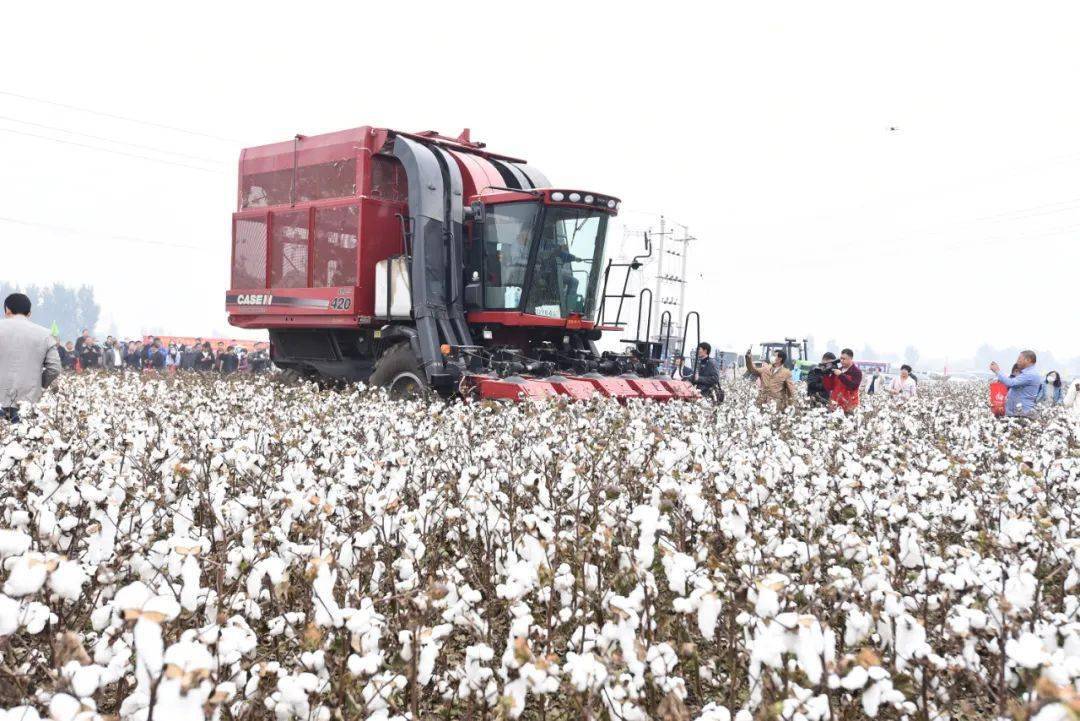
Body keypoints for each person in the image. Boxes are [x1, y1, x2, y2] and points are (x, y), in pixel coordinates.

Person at [0, 293, 62, 422]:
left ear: (7, 310)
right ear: (29, 313)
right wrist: (39, 385)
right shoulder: (45, 334)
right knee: (23, 439)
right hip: (27, 401)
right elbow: (54, 368)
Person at [990, 350, 1040, 417]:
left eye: (1019, 358)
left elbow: (1011, 383)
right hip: (1015, 411)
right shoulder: (1026, 373)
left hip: (1022, 413)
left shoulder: (1030, 374)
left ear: (1028, 360)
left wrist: (997, 371)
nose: (1017, 361)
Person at [830, 348, 862, 413]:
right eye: (841, 358)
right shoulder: (838, 370)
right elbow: (832, 386)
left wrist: (841, 375)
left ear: (850, 359)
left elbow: (853, 386)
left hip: (849, 405)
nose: (841, 361)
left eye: (844, 359)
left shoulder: (857, 372)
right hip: (835, 404)